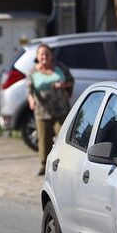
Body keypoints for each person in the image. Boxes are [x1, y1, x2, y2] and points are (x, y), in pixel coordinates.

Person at [27, 43, 74, 175]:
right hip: (43, 111)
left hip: (61, 109)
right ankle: (44, 165)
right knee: (43, 140)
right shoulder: (33, 72)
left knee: (63, 138)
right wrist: (31, 101)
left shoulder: (60, 68)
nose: (44, 57)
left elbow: (71, 81)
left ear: (51, 55)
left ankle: (63, 165)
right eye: (42, 54)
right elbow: (29, 90)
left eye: (47, 54)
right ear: (37, 56)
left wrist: (63, 85)